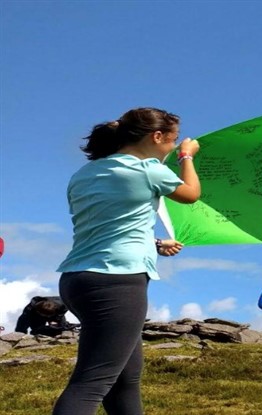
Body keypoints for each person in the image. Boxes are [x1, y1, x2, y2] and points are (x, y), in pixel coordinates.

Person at [53, 107, 201, 415]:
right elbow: (191, 194)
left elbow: (109, 223)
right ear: (156, 137)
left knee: (125, 379)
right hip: (119, 282)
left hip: (77, 279)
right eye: (172, 140)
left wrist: (154, 243)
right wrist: (187, 156)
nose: (174, 146)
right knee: (91, 383)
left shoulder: (83, 175)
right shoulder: (147, 169)